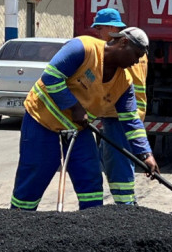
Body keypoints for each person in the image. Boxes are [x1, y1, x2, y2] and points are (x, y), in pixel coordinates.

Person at [10, 27, 159, 210]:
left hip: (78, 130)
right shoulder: (83, 48)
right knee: (33, 179)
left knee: (91, 180)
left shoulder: (124, 82)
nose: (136, 62)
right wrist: (75, 107)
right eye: (136, 55)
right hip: (42, 124)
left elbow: (131, 120)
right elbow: (51, 77)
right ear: (123, 43)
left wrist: (146, 154)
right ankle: (20, 221)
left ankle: (89, 228)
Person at [88, 8, 150, 205]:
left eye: (100, 28)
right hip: (120, 114)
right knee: (112, 160)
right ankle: (128, 204)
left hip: (120, 116)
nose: (97, 33)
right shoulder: (131, 48)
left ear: (113, 27)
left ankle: (126, 208)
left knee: (118, 163)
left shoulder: (124, 52)